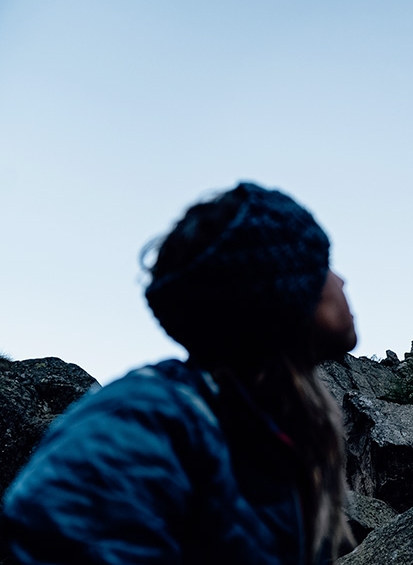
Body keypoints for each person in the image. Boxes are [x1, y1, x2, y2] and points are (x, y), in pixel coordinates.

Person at [1, 182, 357, 564]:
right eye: (322, 263)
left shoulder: (270, 434)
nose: (340, 280)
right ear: (282, 293)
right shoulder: (144, 420)